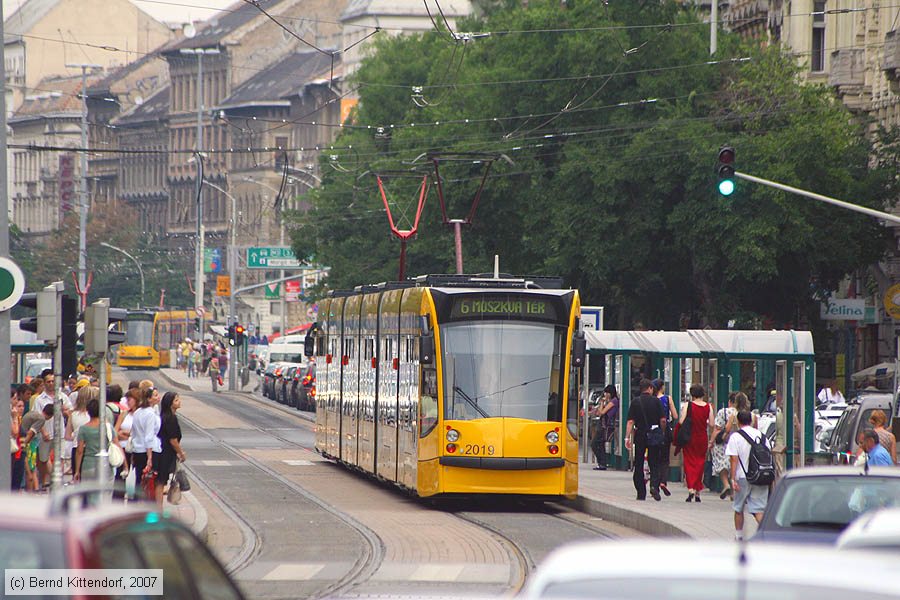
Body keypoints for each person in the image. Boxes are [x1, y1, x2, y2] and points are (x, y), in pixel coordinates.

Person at [726, 410, 770, 541]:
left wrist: (732, 479)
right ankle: (766, 533)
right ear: (751, 421)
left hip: (742, 477)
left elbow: (734, 459)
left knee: (738, 507)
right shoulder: (762, 436)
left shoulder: (735, 437)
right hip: (760, 476)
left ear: (738, 422)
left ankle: (739, 536)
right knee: (758, 509)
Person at [625, 379, 666, 501]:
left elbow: (630, 422)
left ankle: (640, 492)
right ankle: (654, 485)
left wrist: (627, 437)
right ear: (650, 388)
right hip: (653, 434)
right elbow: (663, 420)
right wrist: (661, 431)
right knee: (654, 462)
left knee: (638, 463)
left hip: (640, 435)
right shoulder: (656, 401)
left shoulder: (635, 402)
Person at [678, 383, 714, 502]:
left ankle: (691, 488)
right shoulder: (708, 407)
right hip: (702, 437)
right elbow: (712, 424)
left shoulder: (688, 406)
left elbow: (681, 421)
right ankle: (698, 491)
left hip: (690, 438)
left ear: (692, 394)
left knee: (689, 462)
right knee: (700, 463)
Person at [155, 392, 186, 507]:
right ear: (170, 403)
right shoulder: (170, 418)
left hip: (164, 452)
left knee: (161, 481)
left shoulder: (165, 416)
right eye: (176, 400)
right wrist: (181, 453)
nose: (179, 402)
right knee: (160, 482)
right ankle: (158, 509)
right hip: (165, 454)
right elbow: (173, 440)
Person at [130, 387, 161, 491]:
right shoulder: (150, 413)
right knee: (150, 481)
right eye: (155, 395)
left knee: (139, 478)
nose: (158, 397)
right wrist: (150, 458)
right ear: (148, 399)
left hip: (138, 449)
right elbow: (149, 436)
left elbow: (133, 432)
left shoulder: (138, 412)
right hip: (149, 450)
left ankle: (137, 502)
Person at [652, 379, 677, 496]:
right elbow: (675, 415)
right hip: (665, 430)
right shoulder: (667, 398)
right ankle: (663, 481)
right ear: (662, 387)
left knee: (655, 458)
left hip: (653, 430)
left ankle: (654, 484)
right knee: (665, 458)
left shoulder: (652, 400)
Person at [711, 393, 738, 500]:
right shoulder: (742, 413)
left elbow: (717, 428)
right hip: (736, 442)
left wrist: (711, 441)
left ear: (730, 402)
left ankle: (726, 484)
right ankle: (733, 493)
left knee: (722, 465)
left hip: (723, 442)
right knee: (733, 466)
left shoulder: (724, 412)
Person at [65, 385, 94, 481]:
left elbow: (67, 436)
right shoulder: (94, 416)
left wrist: (76, 435)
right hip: (91, 450)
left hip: (76, 448)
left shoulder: (73, 415)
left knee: (78, 478)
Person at [590, 385, 619, 471]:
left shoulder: (613, 401)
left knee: (594, 444)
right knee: (600, 444)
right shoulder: (609, 401)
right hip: (603, 425)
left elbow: (602, 412)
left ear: (611, 393)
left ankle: (602, 462)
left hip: (606, 426)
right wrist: (602, 403)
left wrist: (602, 403)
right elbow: (599, 413)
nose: (605, 394)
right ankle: (602, 463)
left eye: (607, 393)